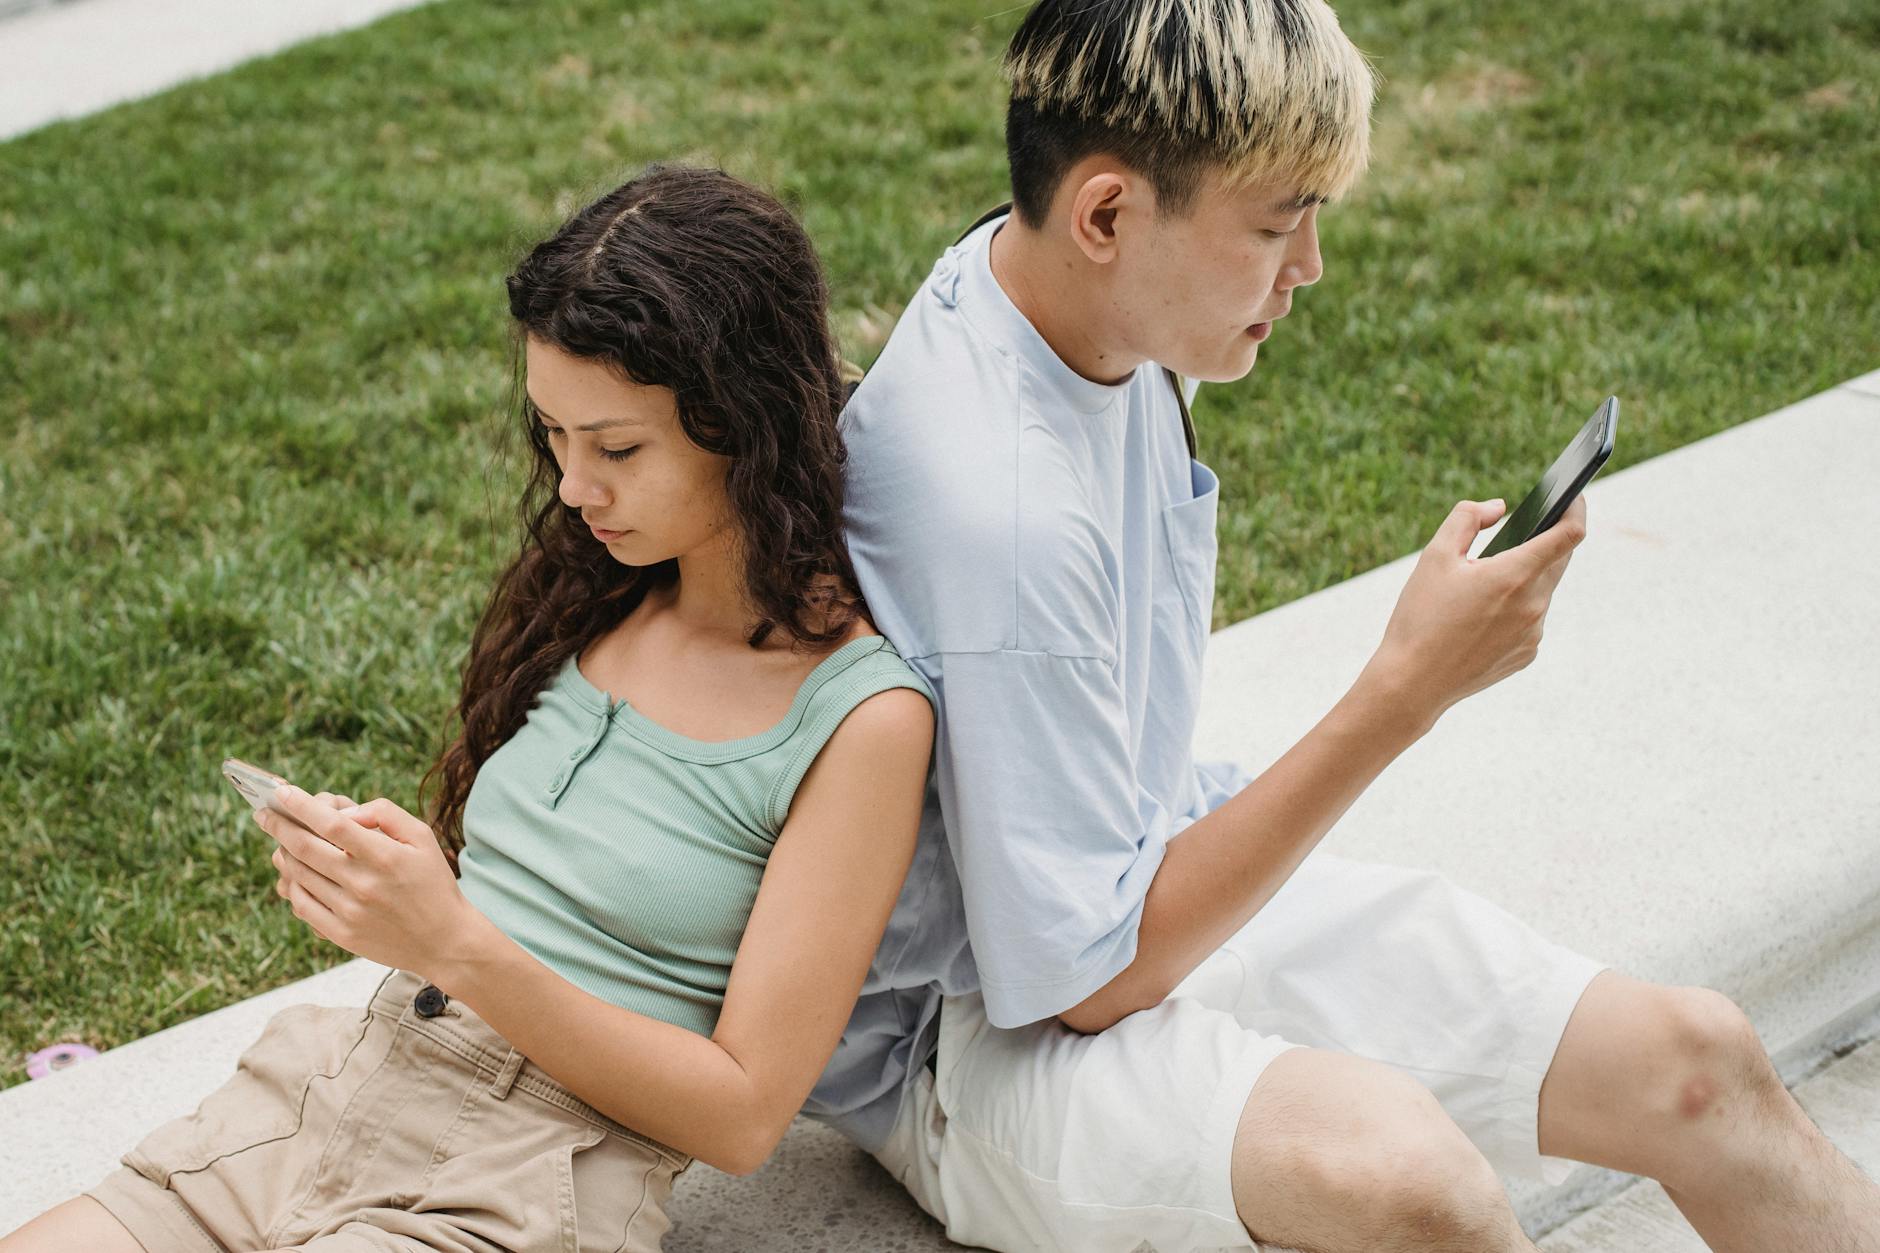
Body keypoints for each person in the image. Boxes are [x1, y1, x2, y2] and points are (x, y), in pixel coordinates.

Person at [811, 3, 1880, 1251]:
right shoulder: (996, 513)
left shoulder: (1063, 297)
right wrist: (1403, 690)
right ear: (1104, 216)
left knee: (1696, 1059)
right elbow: (1086, 982)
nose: (1308, 264)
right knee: (1408, 1184)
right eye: (1276, 223)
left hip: (1134, 872)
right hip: (973, 1032)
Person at [2, 163, 937, 1253]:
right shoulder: (600, 592)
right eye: (554, 434)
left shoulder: (857, 715)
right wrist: (389, 888)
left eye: (617, 447)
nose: (574, 486)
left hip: (528, 1170)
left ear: (745, 419)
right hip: (336, 1089)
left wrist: (450, 938)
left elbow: (740, 1115)